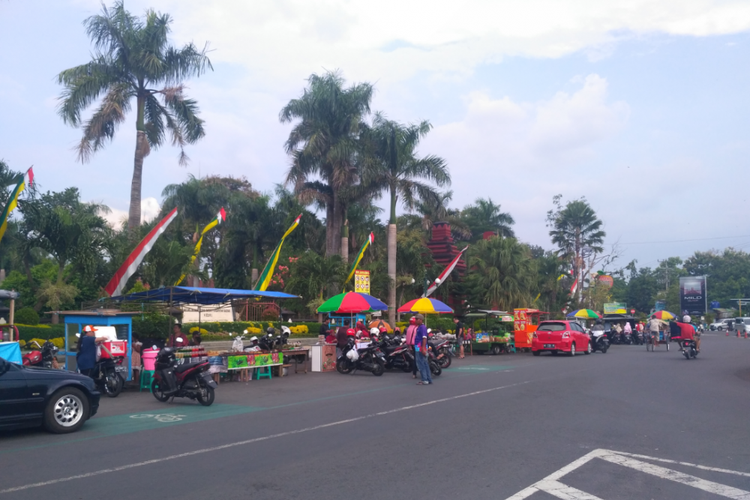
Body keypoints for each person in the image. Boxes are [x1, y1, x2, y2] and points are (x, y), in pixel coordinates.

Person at [414, 314, 433, 386]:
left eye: (417, 319)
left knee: (421, 363)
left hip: (420, 347)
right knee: (424, 363)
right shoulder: (419, 327)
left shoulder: (422, 328)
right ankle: (428, 379)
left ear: (420, 320)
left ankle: (424, 379)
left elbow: (424, 338)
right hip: (418, 347)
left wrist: (422, 348)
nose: (415, 320)